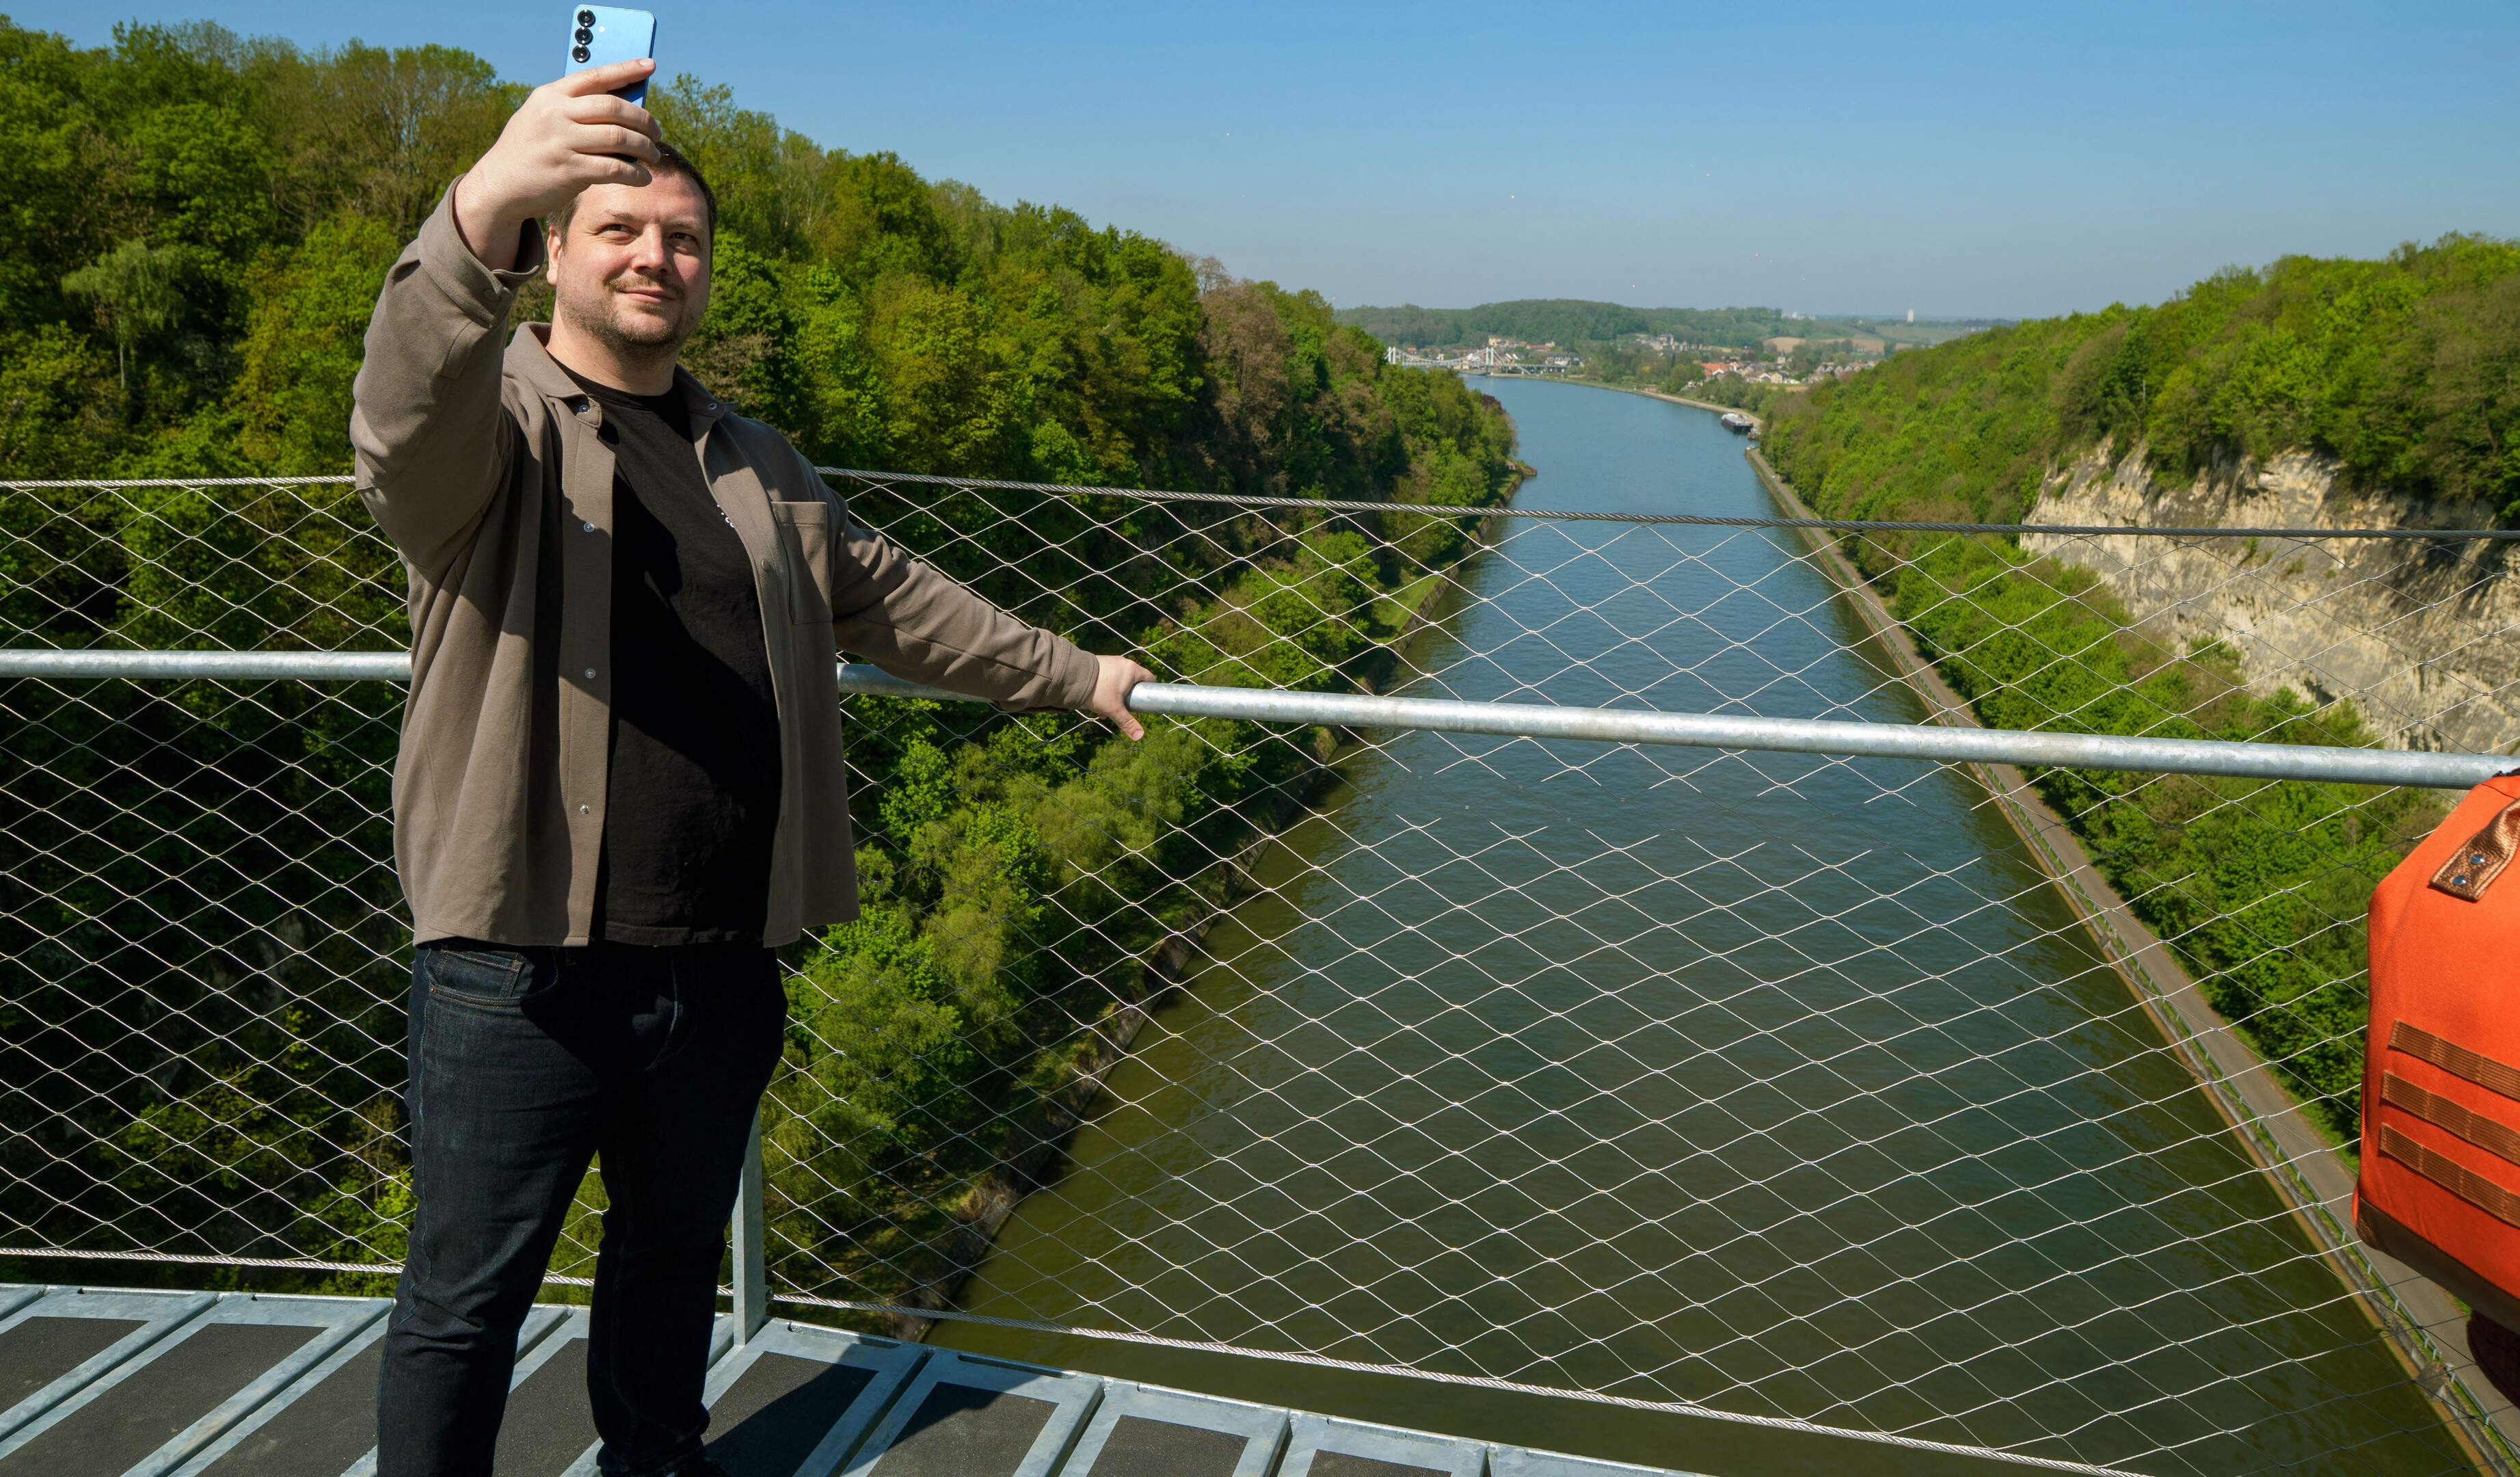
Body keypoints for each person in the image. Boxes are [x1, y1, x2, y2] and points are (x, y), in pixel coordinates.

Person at [350, 57, 1152, 1477]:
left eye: (683, 238)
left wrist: (1073, 676)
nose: (657, 256)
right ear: (551, 254)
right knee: (464, 1302)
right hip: (523, 967)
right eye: (618, 229)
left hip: (720, 963)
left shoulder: (754, 460)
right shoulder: (499, 435)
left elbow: (894, 600)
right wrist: (475, 204)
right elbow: (405, 416)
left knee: (666, 1271)